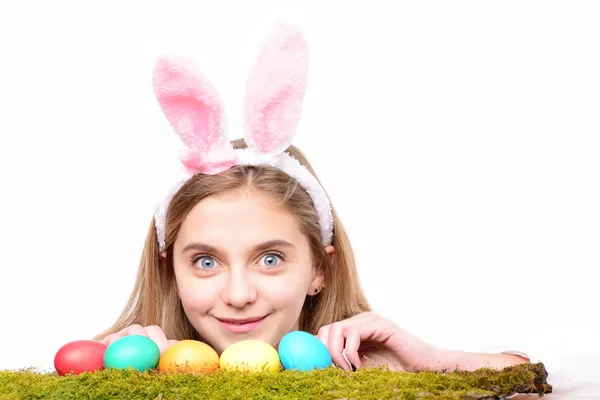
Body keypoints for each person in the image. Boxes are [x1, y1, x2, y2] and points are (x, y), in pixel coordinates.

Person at [93, 23, 532, 373]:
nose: (240, 294)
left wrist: (432, 365)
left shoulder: (367, 375)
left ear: (320, 268)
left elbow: (543, 380)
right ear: (170, 271)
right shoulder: (117, 369)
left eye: (270, 259)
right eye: (205, 261)